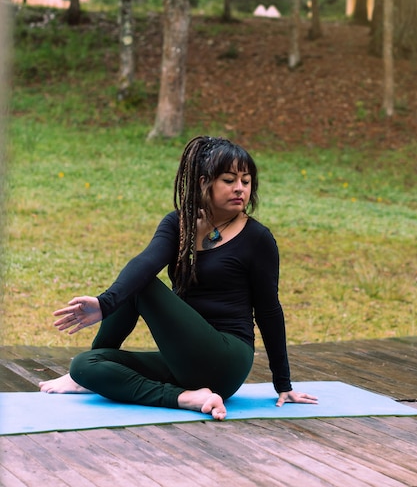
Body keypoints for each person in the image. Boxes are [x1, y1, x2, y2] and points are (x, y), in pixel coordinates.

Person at [40, 135, 317, 419]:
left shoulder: (257, 238)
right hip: (183, 360)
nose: (239, 189)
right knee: (86, 364)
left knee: (141, 285)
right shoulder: (177, 224)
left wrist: (283, 384)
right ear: (203, 182)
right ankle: (186, 398)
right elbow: (147, 261)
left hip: (226, 358)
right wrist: (107, 303)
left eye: (245, 182)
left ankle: (168, 390)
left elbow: (269, 310)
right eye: (229, 180)